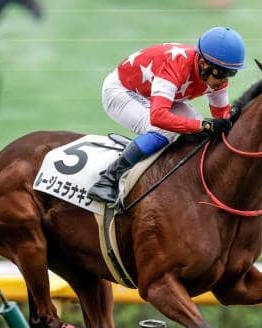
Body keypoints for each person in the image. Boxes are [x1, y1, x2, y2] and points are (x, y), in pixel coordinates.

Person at [87, 26, 246, 205]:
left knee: (196, 125)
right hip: (121, 91)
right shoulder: (177, 65)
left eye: (231, 73)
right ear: (203, 64)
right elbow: (158, 117)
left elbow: (222, 119)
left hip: (151, 93)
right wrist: (203, 125)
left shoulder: (215, 77)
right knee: (165, 130)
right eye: (222, 73)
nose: (225, 80)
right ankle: (108, 180)